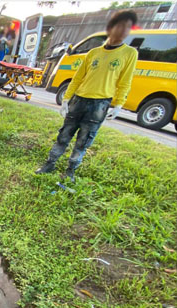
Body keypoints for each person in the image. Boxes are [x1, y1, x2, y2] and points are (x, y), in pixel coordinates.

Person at [35, 11, 138, 185]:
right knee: (64, 135)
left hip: (100, 104)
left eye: (128, 27)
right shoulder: (93, 53)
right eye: (121, 26)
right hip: (79, 100)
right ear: (111, 27)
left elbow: (125, 82)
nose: (124, 31)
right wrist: (66, 99)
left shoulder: (129, 54)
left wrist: (119, 104)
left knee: (84, 140)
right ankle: (49, 164)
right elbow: (78, 78)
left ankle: (70, 172)